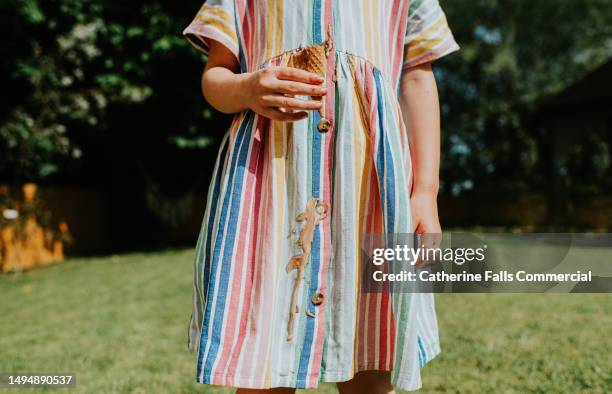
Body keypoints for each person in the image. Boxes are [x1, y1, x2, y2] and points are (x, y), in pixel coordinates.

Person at [183, 1, 459, 393]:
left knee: (371, 351)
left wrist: (426, 193)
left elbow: (418, 76)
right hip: (272, 188)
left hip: (369, 188)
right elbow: (215, 76)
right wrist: (246, 88)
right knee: (264, 358)